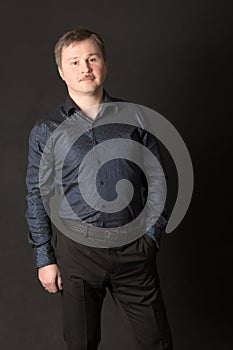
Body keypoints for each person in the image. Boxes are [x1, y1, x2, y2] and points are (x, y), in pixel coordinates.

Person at [25, 28, 173, 350]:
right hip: (77, 256)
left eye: (92, 58)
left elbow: (158, 181)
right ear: (62, 71)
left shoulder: (135, 118)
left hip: (134, 251)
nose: (85, 68)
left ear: (104, 63)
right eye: (74, 61)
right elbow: (37, 195)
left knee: (157, 342)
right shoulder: (46, 130)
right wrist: (43, 258)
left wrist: (150, 237)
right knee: (81, 344)